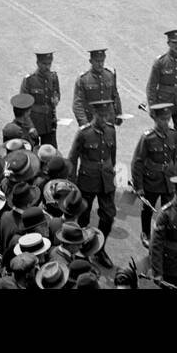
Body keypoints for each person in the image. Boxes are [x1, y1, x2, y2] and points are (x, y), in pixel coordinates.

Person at [67, 98, 117, 267]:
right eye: (101, 116)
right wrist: (72, 182)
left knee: (109, 217)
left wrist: (111, 173)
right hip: (87, 180)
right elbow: (72, 158)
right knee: (83, 217)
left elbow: (113, 155)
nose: (105, 119)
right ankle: (82, 249)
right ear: (94, 114)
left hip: (106, 180)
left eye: (107, 115)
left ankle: (99, 249)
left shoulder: (111, 130)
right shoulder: (84, 133)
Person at [130, 103, 177, 243]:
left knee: (168, 210)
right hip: (152, 180)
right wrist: (138, 186)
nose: (165, 122)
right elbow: (137, 162)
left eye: (168, 119)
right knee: (148, 209)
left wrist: (176, 178)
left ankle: (163, 235)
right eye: (162, 119)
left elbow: (173, 158)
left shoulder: (173, 134)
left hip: (168, 180)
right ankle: (145, 233)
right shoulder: (147, 138)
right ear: (156, 119)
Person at [145, 29, 177, 153]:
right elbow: (151, 86)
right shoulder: (160, 62)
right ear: (168, 43)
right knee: (162, 133)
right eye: (174, 42)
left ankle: (171, 156)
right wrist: (152, 106)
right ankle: (162, 160)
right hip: (164, 102)